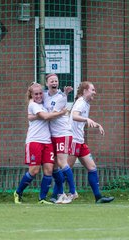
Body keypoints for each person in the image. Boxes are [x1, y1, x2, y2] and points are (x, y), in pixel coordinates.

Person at [14, 82, 67, 204]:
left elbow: (48, 109)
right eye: (35, 94)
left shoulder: (43, 104)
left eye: (40, 93)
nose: (38, 96)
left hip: (47, 141)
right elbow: (45, 116)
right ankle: (18, 192)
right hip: (35, 141)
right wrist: (61, 113)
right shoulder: (33, 105)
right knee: (34, 170)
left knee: (49, 169)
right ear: (31, 95)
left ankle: (42, 199)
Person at [67, 81, 114, 204]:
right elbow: (74, 116)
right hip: (73, 140)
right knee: (66, 168)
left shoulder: (86, 104)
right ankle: (57, 194)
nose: (95, 92)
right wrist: (87, 119)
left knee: (92, 167)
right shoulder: (81, 102)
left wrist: (97, 124)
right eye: (92, 90)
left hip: (80, 141)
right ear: (84, 91)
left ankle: (98, 197)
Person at [42, 73, 76, 204]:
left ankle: (73, 192)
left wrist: (60, 112)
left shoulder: (61, 97)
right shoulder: (45, 96)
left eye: (56, 81)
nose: (54, 83)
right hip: (53, 135)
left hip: (63, 133)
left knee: (62, 163)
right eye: (51, 81)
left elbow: (52, 115)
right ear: (47, 83)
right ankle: (60, 193)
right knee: (55, 166)